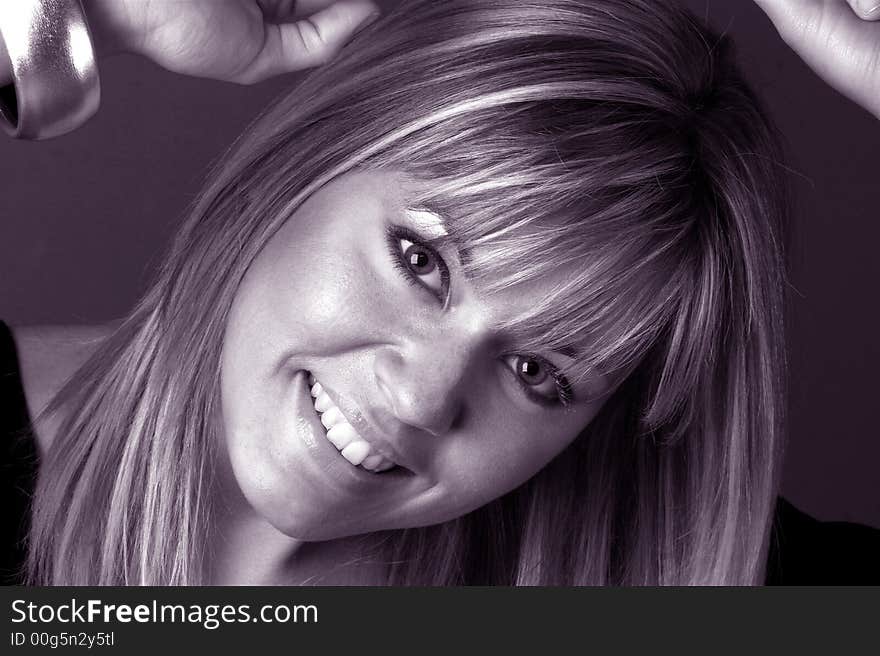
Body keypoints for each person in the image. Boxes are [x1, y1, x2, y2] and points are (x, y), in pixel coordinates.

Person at [1, 0, 878, 586]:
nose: (424, 397)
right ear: (309, 160)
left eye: (540, 371)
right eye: (424, 263)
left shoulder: (670, 570)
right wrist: (60, 20)